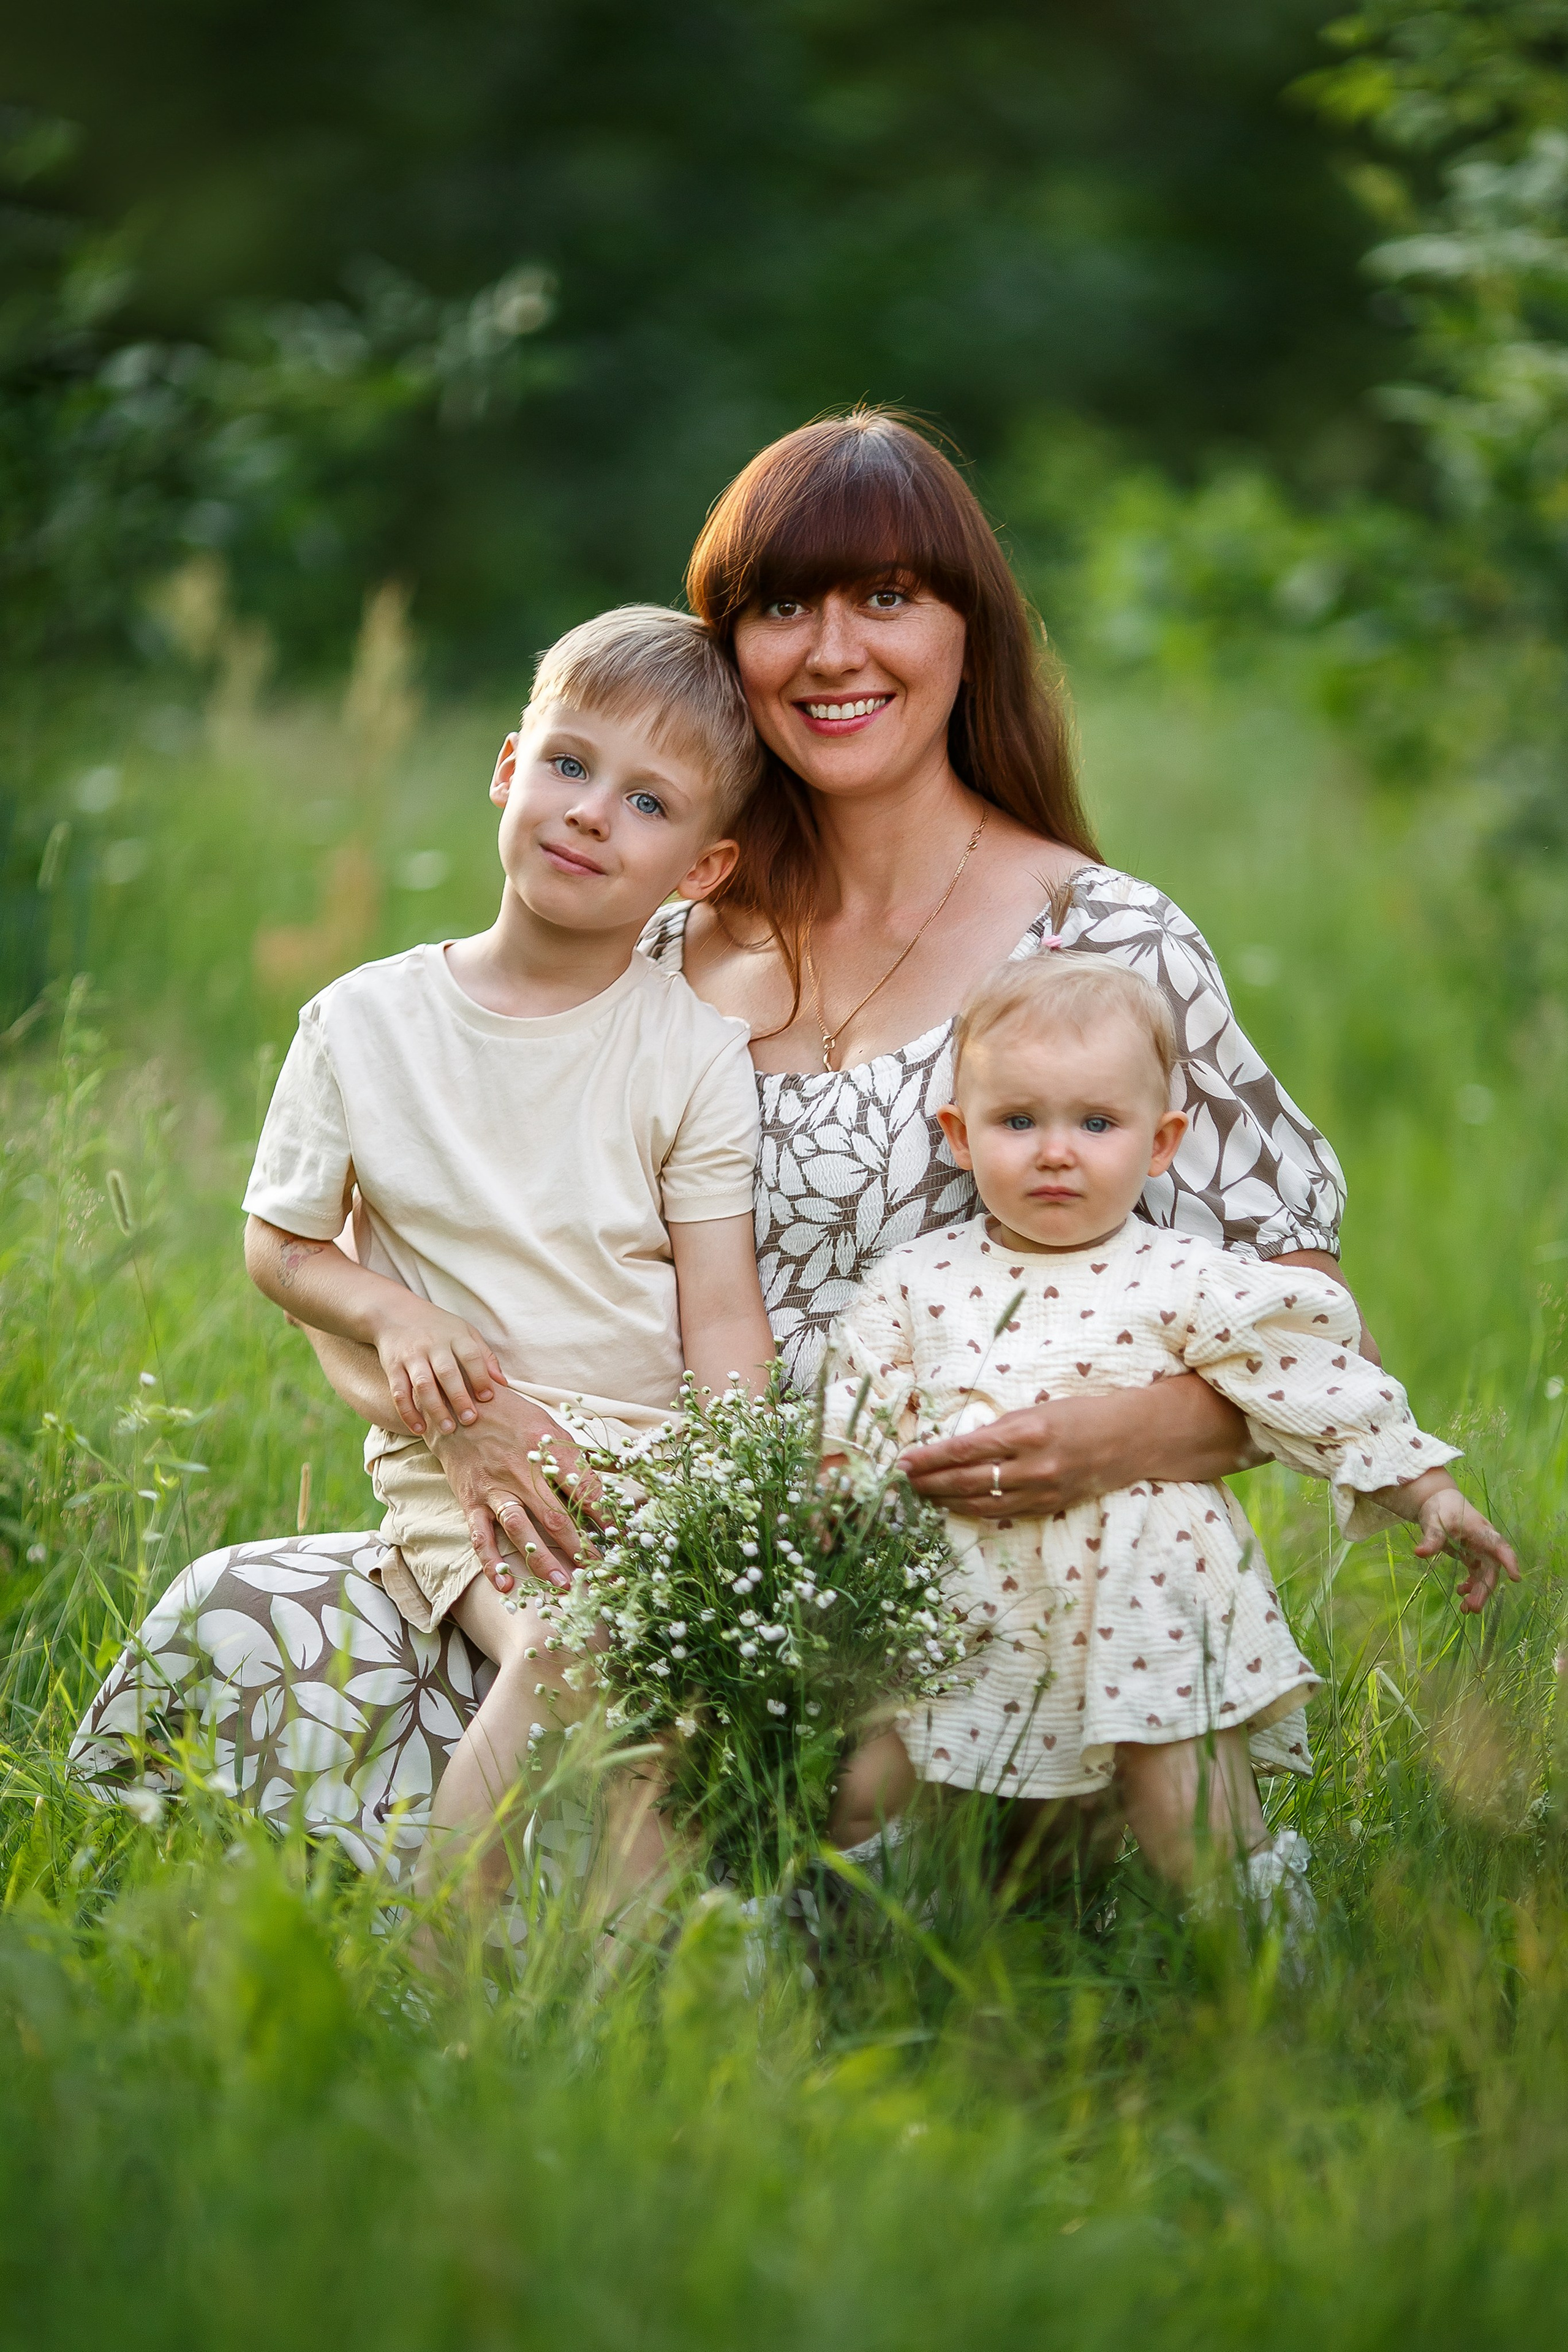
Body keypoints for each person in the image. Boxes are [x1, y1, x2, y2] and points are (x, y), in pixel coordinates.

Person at [75, 410, 1364, 1891]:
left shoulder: (1100, 941)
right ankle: (403, 1987)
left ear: (968, 632)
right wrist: (467, 1426)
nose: (831, 650)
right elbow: (394, 1258)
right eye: (779, 605)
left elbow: (1304, 1322)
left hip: (955, 1559)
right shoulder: (650, 937)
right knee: (241, 1613)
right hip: (616, 1518)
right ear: (725, 648)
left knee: (821, 1816)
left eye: (885, 597)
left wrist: (1106, 1443)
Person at [241, 604, 775, 1935]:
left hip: (649, 1454)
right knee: (575, 1641)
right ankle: (431, 1917)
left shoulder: (689, 1052)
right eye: (570, 765)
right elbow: (280, 1242)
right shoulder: (363, 1024)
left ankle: (642, 1994)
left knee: (656, 1731)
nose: (591, 813)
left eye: (646, 802)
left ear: (701, 869)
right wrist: (390, 1308)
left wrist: (748, 1486)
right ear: (506, 766)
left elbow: (719, 1308)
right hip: (458, 1461)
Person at [819, 952, 1517, 1914]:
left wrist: (1427, 1490)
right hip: (969, 1597)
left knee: (1189, 1808)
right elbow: (856, 1398)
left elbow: (1318, 1384)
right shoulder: (917, 1277)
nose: (1056, 1151)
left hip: (1150, 1592)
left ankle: (1265, 1969)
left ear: (1161, 1143)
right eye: (1018, 1121)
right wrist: (840, 1490)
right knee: (875, 1795)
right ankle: (863, 1955)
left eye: (1096, 1123)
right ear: (960, 1135)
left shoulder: (1185, 1275)